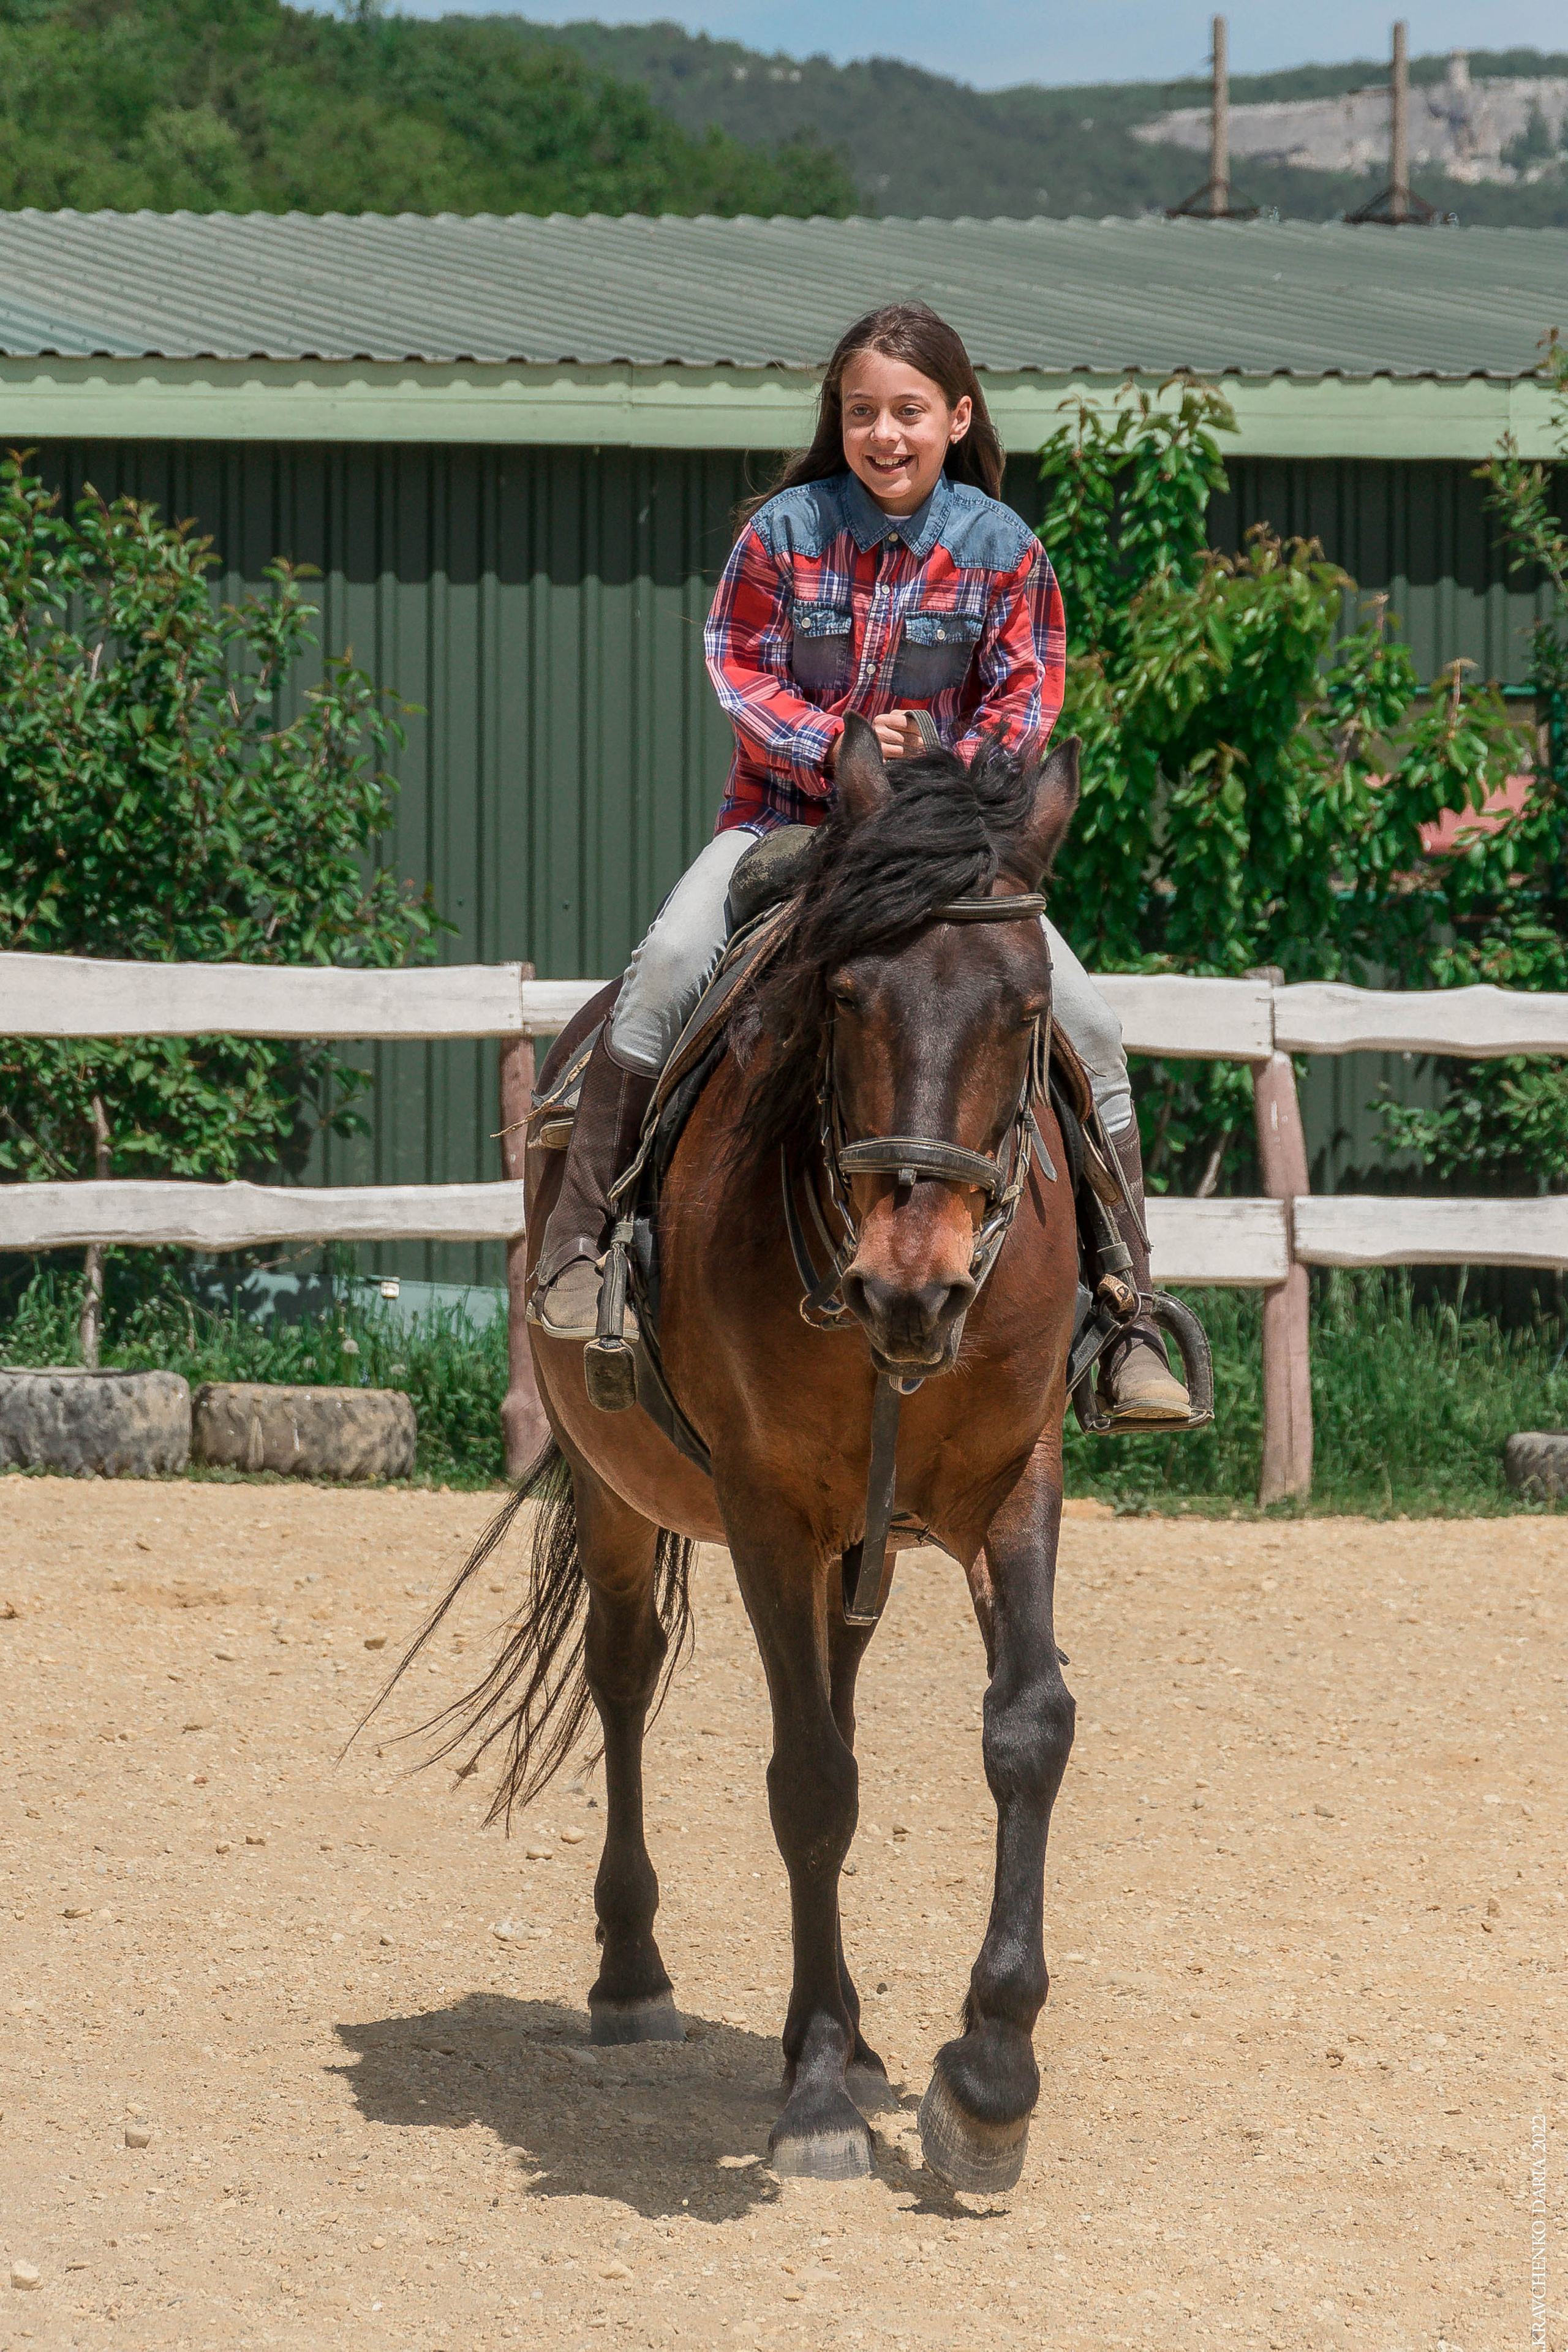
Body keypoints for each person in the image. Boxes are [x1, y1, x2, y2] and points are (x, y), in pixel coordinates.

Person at [532, 301, 1189, 1425]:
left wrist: (937, 768)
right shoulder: (784, 531)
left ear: (958, 417)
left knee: (1087, 1025)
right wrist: (834, 740)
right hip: (785, 822)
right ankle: (584, 1243)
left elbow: (1028, 694)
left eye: (910, 413)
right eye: (862, 413)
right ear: (837, 421)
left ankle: (1126, 1314)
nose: (885, 435)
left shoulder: (1004, 548)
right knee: (671, 959)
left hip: (944, 847)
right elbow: (737, 666)